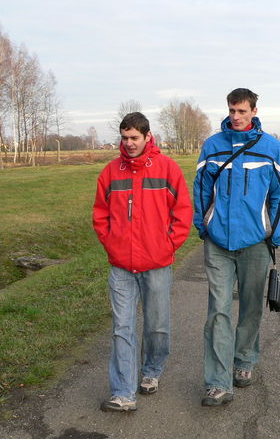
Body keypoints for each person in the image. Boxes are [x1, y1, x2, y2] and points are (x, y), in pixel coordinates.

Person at [193, 88, 280, 406]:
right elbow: (201, 190)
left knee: (250, 308)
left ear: (254, 111)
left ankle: (245, 360)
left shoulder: (270, 147)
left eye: (241, 111)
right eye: (231, 111)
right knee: (218, 311)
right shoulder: (212, 146)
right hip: (219, 243)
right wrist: (204, 226)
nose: (235, 116)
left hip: (255, 244)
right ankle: (217, 382)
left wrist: (273, 235)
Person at [93, 112, 193, 412]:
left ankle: (152, 370)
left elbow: (183, 212)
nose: (129, 143)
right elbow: (100, 215)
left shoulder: (167, 169)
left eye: (134, 138)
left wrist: (166, 246)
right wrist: (112, 244)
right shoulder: (111, 172)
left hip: (157, 263)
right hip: (121, 266)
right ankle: (123, 392)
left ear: (148, 137)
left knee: (157, 325)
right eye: (125, 138)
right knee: (122, 326)